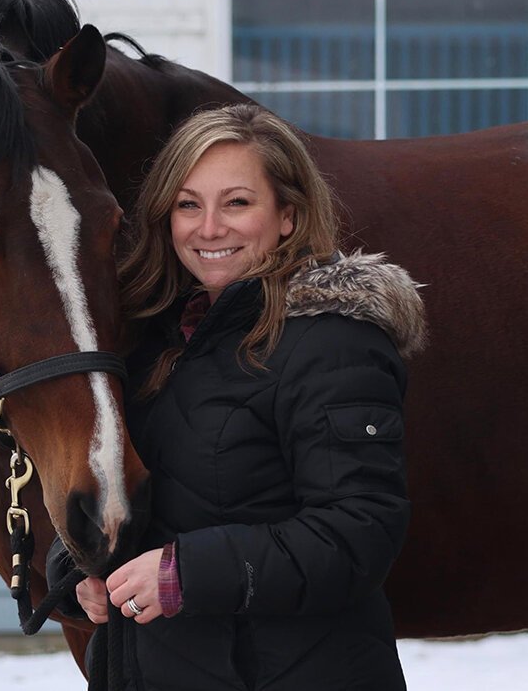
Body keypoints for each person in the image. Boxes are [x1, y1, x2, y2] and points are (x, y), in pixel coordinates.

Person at [50, 104, 426, 690]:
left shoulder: (333, 342)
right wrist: (81, 569)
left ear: (288, 216)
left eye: (237, 203)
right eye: (188, 204)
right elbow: (130, 491)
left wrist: (184, 574)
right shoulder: (153, 341)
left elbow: (358, 533)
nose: (208, 229)